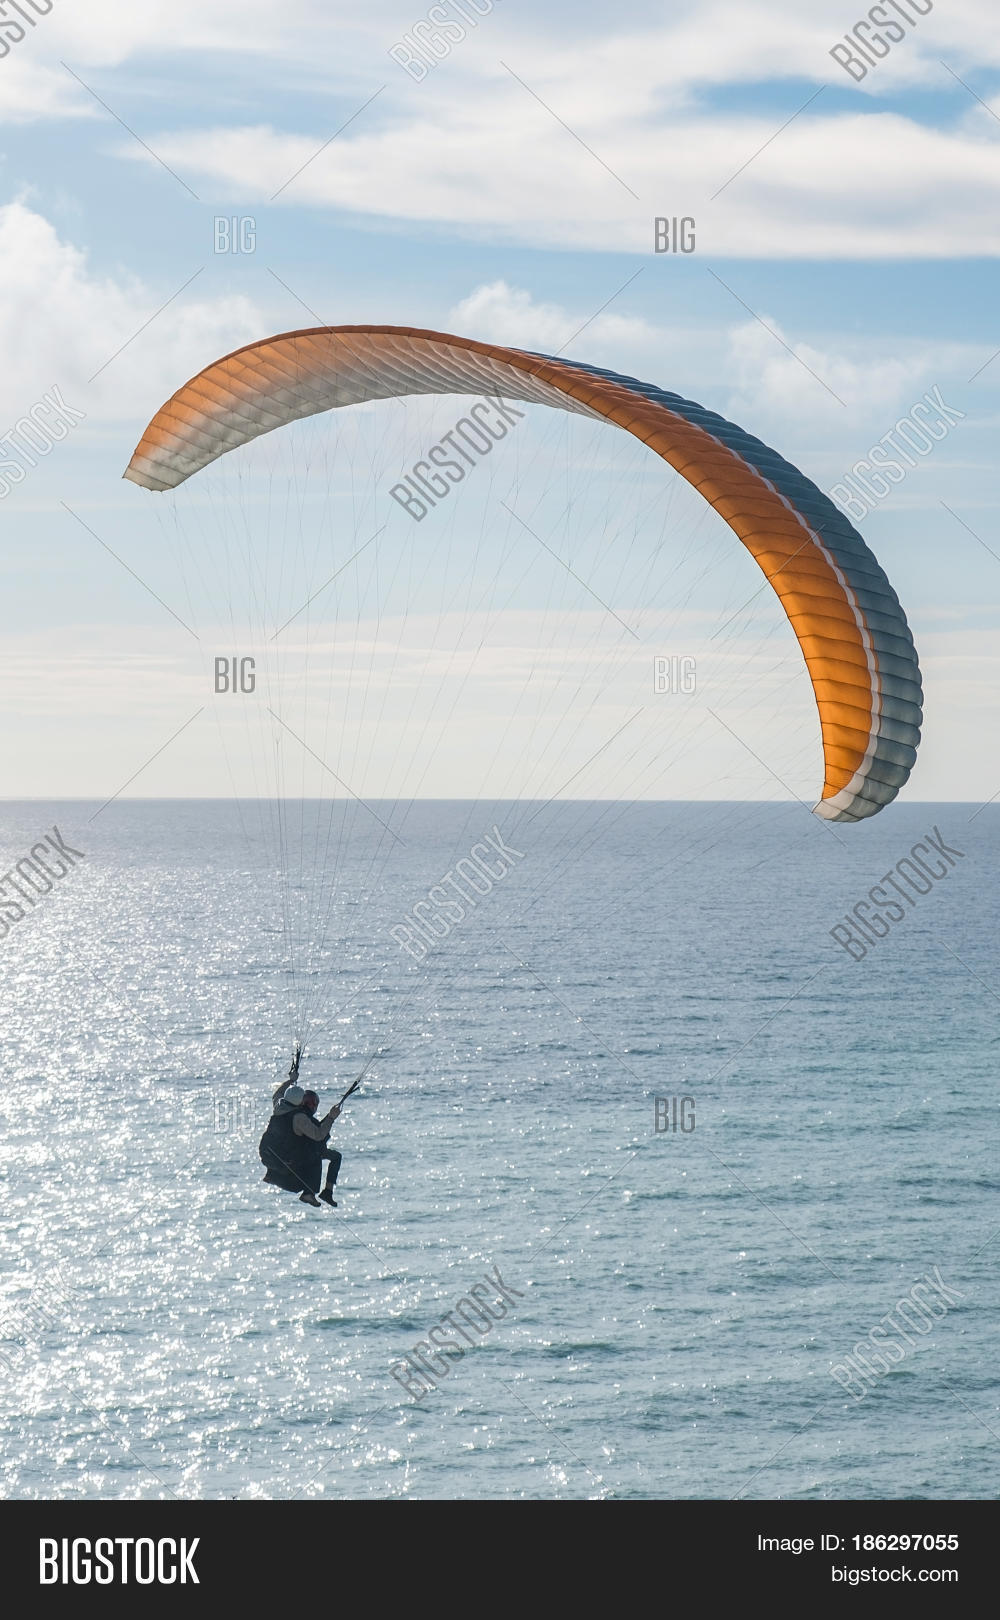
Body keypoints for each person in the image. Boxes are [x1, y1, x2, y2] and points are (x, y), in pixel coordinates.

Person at [258, 1044, 342, 1207]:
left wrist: (291, 1080)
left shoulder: (279, 1107)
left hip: (272, 1157)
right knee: (317, 1154)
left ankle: (273, 1176)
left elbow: (277, 1094)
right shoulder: (299, 1118)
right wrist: (331, 1117)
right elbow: (318, 1135)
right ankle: (310, 1194)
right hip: (288, 1160)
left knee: (311, 1152)